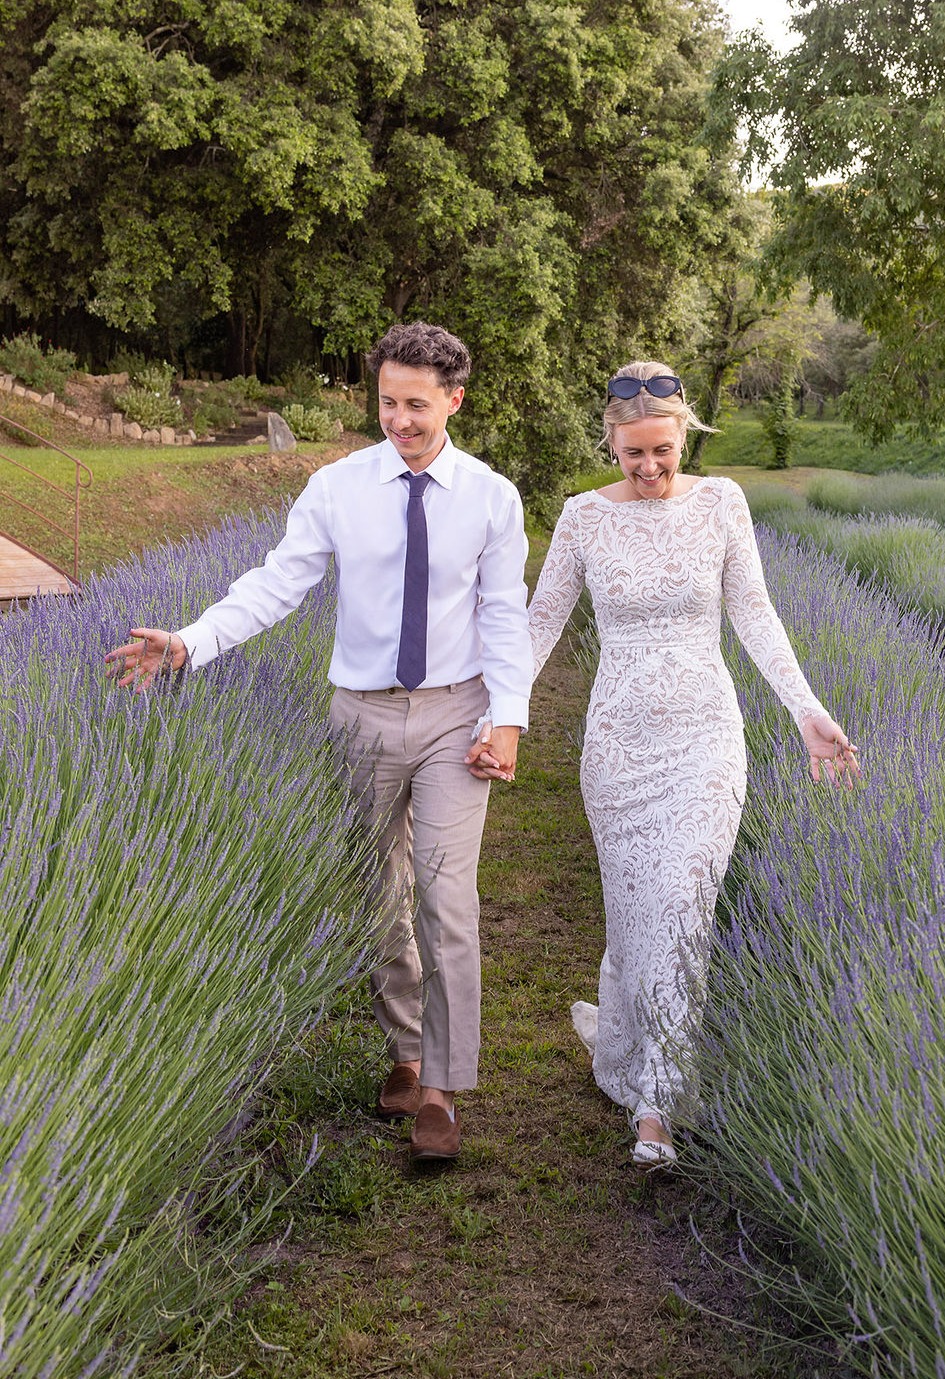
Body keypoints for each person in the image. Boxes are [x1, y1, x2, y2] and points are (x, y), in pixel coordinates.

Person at [105, 322, 531, 1165]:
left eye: (417, 404)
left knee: (448, 901)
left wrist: (507, 717)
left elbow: (503, 613)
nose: (400, 419)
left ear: (454, 399)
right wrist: (192, 640)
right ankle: (405, 1053)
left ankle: (442, 1089)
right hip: (361, 715)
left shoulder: (491, 496)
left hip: (455, 716)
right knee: (378, 897)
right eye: (387, 401)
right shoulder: (337, 486)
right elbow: (275, 582)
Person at [523, 361, 859, 1166]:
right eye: (631, 453)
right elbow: (538, 628)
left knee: (683, 906)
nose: (646, 469)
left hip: (707, 740)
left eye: (661, 451)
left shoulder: (722, 505)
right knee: (637, 915)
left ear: (686, 434)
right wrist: (501, 718)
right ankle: (630, 1057)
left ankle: (657, 1107)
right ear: (609, 439)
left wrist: (806, 711)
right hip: (617, 747)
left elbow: (755, 613)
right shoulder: (580, 519)